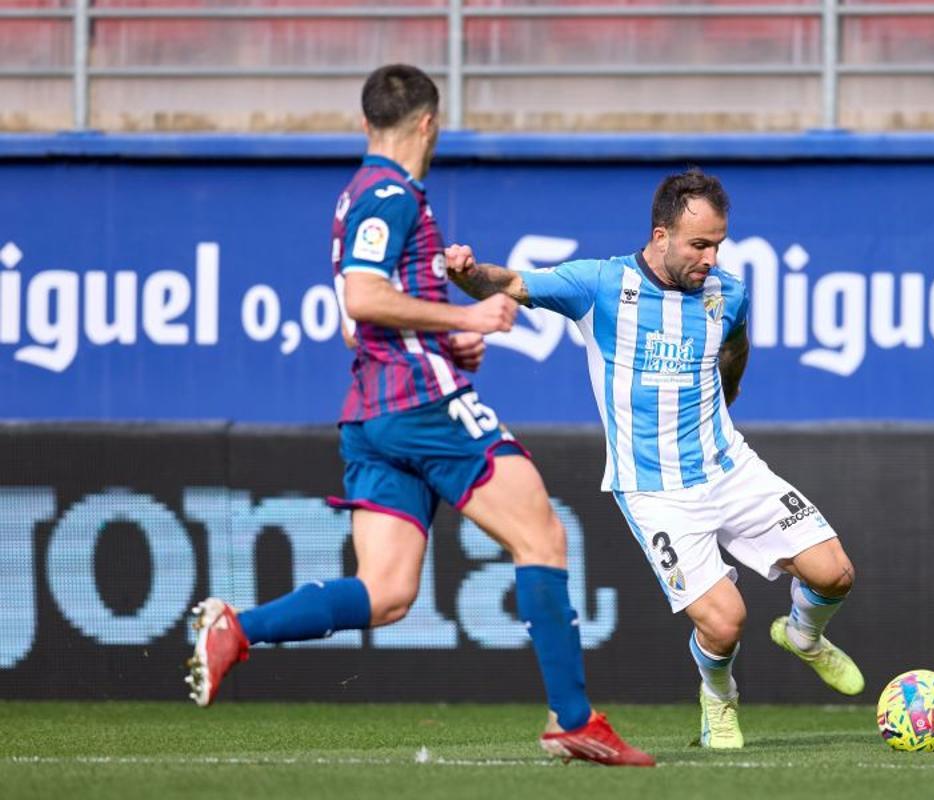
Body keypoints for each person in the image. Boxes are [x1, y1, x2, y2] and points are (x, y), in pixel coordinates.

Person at [185, 63, 654, 768]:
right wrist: (464, 316)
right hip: (421, 405)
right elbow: (364, 300)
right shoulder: (390, 195)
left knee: (389, 592)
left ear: (366, 122)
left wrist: (446, 337)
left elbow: (361, 325)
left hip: (372, 412)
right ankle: (573, 719)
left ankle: (238, 629)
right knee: (543, 536)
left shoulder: (357, 196)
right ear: (429, 123)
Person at [446, 168, 864, 749]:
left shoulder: (728, 292)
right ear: (661, 235)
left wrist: (731, 391)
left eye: (718, 244)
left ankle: (803, 636)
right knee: (725, 622)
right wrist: (469, 275)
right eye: (699, 245)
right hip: (655, 490)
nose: (711, 259)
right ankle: (718, 699)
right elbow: (512, 283)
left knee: (836, 573)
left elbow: (736, 346)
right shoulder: (598, 285)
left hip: (729, 467)